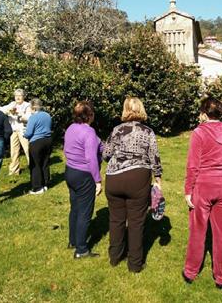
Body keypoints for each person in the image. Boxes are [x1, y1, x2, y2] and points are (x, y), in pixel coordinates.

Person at [183, 98, 222, 289]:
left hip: (204, 185)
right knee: (221, 232)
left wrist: (188, 190)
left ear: (204, 112)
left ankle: (191, 271)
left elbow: (193, 165)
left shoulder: (199, 132)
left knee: (198, 230)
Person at [103, 97, 163, 273]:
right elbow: (155, 157)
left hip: (114, 178)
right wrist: (158, 177)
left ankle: (115, 257)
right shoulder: (148, 132)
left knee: (116, 219)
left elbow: (106, 154)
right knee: (136, 222)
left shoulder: (116, 130)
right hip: (138, 178)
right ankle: (135, 264)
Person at [63, 101, 103, 259]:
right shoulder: (89, 132)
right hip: (84, 175)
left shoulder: (71, 128)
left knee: (75, 208)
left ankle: (73, 240)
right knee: (85, 213)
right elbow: (91, 159)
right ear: (90, 115)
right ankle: (81, 250)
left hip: (70, 171)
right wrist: (98, 180)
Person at [0, 89, 31, 176]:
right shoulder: (12, 104)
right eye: (16, 95)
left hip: (23, 130)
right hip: (13, 130)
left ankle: (33, 167)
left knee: (28, 149)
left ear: (24, 96)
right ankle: (14, 171)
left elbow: (28, 117)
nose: (18, 97)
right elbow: (0, 109)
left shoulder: (27, 105)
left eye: (20, 95)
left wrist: (18, 114)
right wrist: (9, 110)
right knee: (14, 151)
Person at [24, 98, 52, 195]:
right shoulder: (47, 115)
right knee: (45, 162)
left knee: (35, 165)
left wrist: (24, 133)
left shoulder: (33, 117)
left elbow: (28, 133)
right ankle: (45, 183)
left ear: (33, 107)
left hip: (36, 142)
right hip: (48, 140)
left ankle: (37, 187)